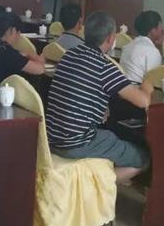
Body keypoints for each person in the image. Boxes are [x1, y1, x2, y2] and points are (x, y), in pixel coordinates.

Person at [46, 11, 152, 184]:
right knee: (143, 158)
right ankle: (98, 187)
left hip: (52, 137)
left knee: (110, 134)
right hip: (77, 143)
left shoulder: (68, 55)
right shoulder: (104, 66)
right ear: (111, 38)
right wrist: (147, 85)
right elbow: (143, 101)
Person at [120, 10, 164, 83]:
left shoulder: (128, 46)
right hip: (137, 88)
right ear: (153, 30)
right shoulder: (152, 51)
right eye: (160, 26)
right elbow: (154, 81)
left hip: (122, 87)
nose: (162, 30)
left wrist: (159, 47)